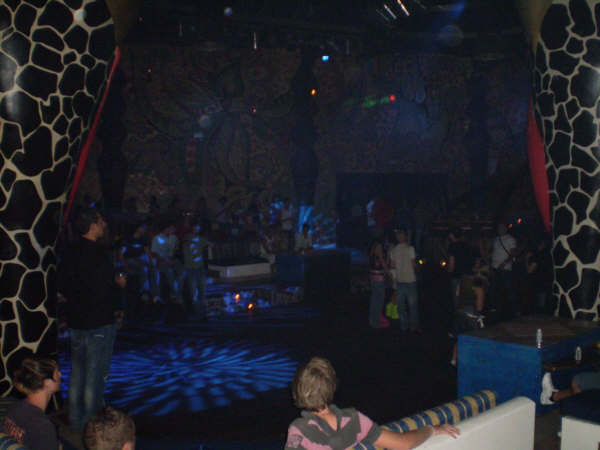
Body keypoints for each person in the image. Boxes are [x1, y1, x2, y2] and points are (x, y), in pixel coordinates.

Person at [285, 357, 459, 449]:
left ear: (297, 391)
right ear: (332, 387)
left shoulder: (299, 430)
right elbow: (404, 443)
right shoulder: (353, 420)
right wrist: (432, 429)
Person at [59, 208, 126, 432]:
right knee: (94, 376)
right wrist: (119, 286)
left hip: (77, 320)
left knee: (78, 372)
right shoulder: (98, 255)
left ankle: (76, 420)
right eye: (100, 221)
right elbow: (104, 289)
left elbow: (63, 285)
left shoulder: (70, 251)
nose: (104, 224)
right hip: (98, 320)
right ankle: (91, 425)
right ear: (92, 225)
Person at [2, 357, 61, 450]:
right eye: (57, 372)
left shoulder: (13, 407)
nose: (60, 374)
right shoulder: (43, 427)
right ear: (46, 382)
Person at [389, 229, 419, 332]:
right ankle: (413, 327)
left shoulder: (393, 251)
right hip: (410, 280)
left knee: (401, 306)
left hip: (400, 280)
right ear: (405, 237)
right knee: (412, 306)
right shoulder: (410, 249)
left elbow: (392, 266)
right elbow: (413, 265)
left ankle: (403, 326)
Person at [181, 221, 212, 318]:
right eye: (195, 228)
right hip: (190, 268)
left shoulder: (201, 239)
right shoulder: (186, 238)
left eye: (198, 229)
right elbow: (184, 243)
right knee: (193, 288)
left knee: (202, 286)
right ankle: (194, 308)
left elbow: (211, 244)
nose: (196, 230)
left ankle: (202, 308)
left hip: (200, 267)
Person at [490, 222, 519, 319]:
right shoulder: (496, 239)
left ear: (506, 228)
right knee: (495, 289)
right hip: (495, 267)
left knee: (509, 289)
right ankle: (496, 309)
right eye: (499, 227)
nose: (500, 229)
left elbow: (513, 253)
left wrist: (504, 263)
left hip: (505, 268)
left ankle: (514, 310)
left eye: (502, 227)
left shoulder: (510, 239)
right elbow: (493, 251)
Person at [150, 220, 182, 304]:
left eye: (173, 228)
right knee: (169, 272)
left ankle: (175, 292)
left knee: (183, 272)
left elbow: (176, 249)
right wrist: (165, 260)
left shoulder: (174, 237)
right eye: (171, 228)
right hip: (161, 260)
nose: (173, 229)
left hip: (171, 259)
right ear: (166, 228)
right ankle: (175, 295)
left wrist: (174, 255)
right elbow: (154, 253)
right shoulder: (157, 238)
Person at [447, 228, 473, 305]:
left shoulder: (452, 246)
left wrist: (449, 272)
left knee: (455, 295)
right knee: (464, 295)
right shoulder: (466, 245)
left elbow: (452, 262)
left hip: (455, 274)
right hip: (466, 273)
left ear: (452, 235)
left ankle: (455, 309)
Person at [369, 240, 390, 329]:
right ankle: (376, 323)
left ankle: (373, 321)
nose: (380, 249)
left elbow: (385, 266)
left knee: (374, 301)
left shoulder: (372, 256)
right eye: (379, 248)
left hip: (375, 282)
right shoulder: (378, 257)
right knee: (378, 302)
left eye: (381, 248)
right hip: (379, 282)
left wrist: (387, 256)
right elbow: (386, 268)